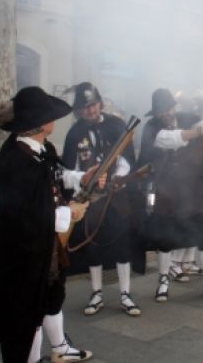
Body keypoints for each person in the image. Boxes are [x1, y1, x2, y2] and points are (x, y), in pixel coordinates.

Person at [0, 86, 94, 362]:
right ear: (40, 123)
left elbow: (56, 177)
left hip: (46, 244)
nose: (54, 120)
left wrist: (81, 179)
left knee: (52, 295)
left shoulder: (42, 148)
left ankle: (60, 349)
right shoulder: (16, 158)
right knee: (28, 312)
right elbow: (26, 213)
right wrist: (70, 212)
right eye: (50, 116)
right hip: (26, 248)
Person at [137, 88, 203, 303]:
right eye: (161, 111)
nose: (165, 114)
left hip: (194, 188)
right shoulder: (152, 127)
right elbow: (169, 139)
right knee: (165, 239)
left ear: (173, 107)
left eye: (167, 109)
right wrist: (199, 131)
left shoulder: (188, 119)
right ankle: (163, 281)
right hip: (166, 189)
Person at [61, 82, 143, 317]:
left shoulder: (118, 126)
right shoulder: (74, 133)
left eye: (93, 105)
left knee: (121, 244)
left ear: (100, 103)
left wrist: (116, 177)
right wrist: (85, 178)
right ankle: (96, 293)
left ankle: (125, 294)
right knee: (92, 245)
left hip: (117, 196)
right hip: (91, 198)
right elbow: (67, 171)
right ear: (78, 111)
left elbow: (127, 160)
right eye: (85, 107)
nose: (90, 110)